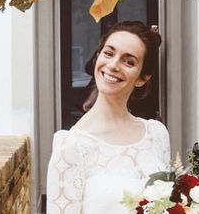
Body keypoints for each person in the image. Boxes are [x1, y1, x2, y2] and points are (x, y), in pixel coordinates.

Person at [46, 21, 171, 213]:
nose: (113, 65)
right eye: (109, 53)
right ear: (98, 57)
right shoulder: (71, 145)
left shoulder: (157, 134)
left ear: (142, 78)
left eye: (129, 61)